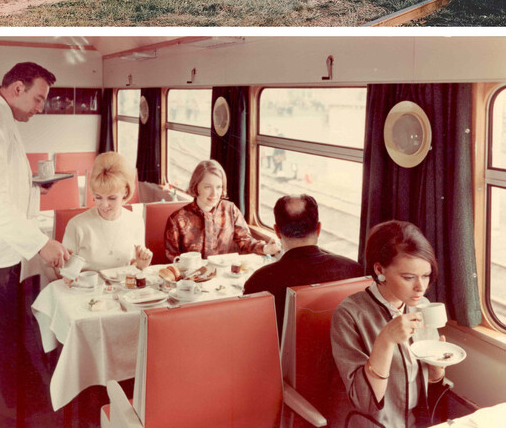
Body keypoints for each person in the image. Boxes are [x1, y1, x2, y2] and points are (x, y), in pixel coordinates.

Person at [0, 61, 70, 428]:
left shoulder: (1, 119)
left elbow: (1, 186)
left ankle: (9, 408)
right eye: (39, 98)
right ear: (17, 88)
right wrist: (41, 243)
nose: (41, 107)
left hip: (3, 255)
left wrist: (34, 185)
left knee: (2, 340)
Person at [331, 220, 448, 427]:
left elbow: (430, 384)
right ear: (379, 270)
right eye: (409, 277)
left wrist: (438, 369)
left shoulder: (424, 306)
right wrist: (385, 340)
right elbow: (364, 401)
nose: (420, 287)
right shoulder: (349, 315)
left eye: (426, 276)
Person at [242, 194, 363, 331]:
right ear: (318, 229)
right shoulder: (354, 270)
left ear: (277, 232)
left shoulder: (259, 281)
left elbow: (250, 331)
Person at [164, 159, 280, 260]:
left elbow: (244, 240)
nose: (215, 193)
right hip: (191, 279)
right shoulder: (177, 219)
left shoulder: (230, 209)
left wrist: (265, 248)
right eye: (208, 187)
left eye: (218, 187)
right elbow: (173, 259)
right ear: (196, 186)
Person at [62, 152, 152, 271]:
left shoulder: (136, 222)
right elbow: (64, 271)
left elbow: (133, 265)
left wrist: (140, 265)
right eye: (98, 197)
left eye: (112, 198)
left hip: (123, 287)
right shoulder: (77, 225)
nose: (104, 205)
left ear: (125, 192)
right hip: (87, 288)